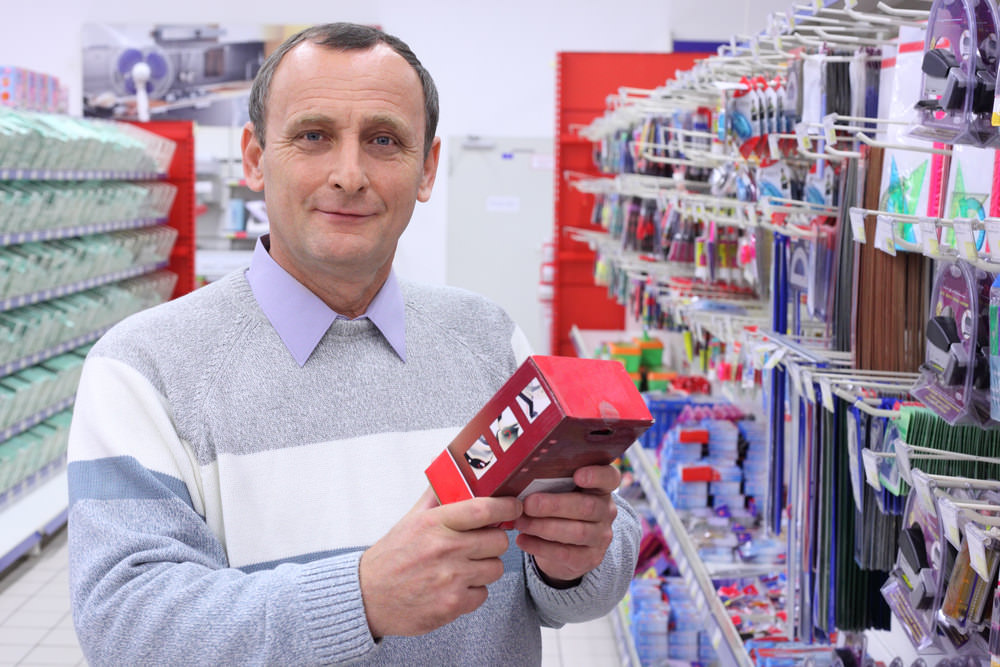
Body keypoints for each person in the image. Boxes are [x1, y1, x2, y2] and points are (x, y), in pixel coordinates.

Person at [67, 22, 640, 666]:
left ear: (427, 169)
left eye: (383, 141)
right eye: (313, 136)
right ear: (255, 159)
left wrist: (575, 562)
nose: (349, 174)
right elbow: (124, 627)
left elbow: (577, 589)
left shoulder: (487, 337)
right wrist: (361, 598)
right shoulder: (143, 367)